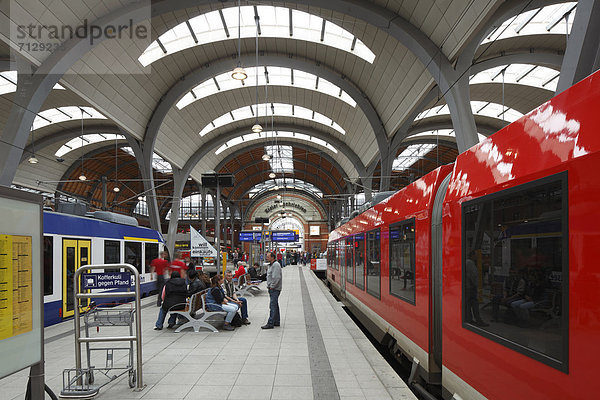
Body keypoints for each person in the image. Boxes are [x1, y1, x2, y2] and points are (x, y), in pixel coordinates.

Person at [465, 250, 489, 327]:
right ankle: (478, 320)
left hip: (467, 287)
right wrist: (476, 285)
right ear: (472, 255)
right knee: (474, 304)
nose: (477, 257)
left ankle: (469, 319)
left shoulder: (467, 262)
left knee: (468, 304)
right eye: (476, 255)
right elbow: (473, 276)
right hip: (471, 287)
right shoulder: (470, 263)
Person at [262, 251, 282, 329]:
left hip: (274, 288)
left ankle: (270, 323)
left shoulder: (275, 265)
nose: (267, 258)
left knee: (272, 306)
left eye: (268, 256)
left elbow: (276, 277)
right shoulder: (271, 265)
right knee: (275, 305)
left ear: (272, 257)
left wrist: (272, 286)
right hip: (273, 288)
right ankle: (276, 321)